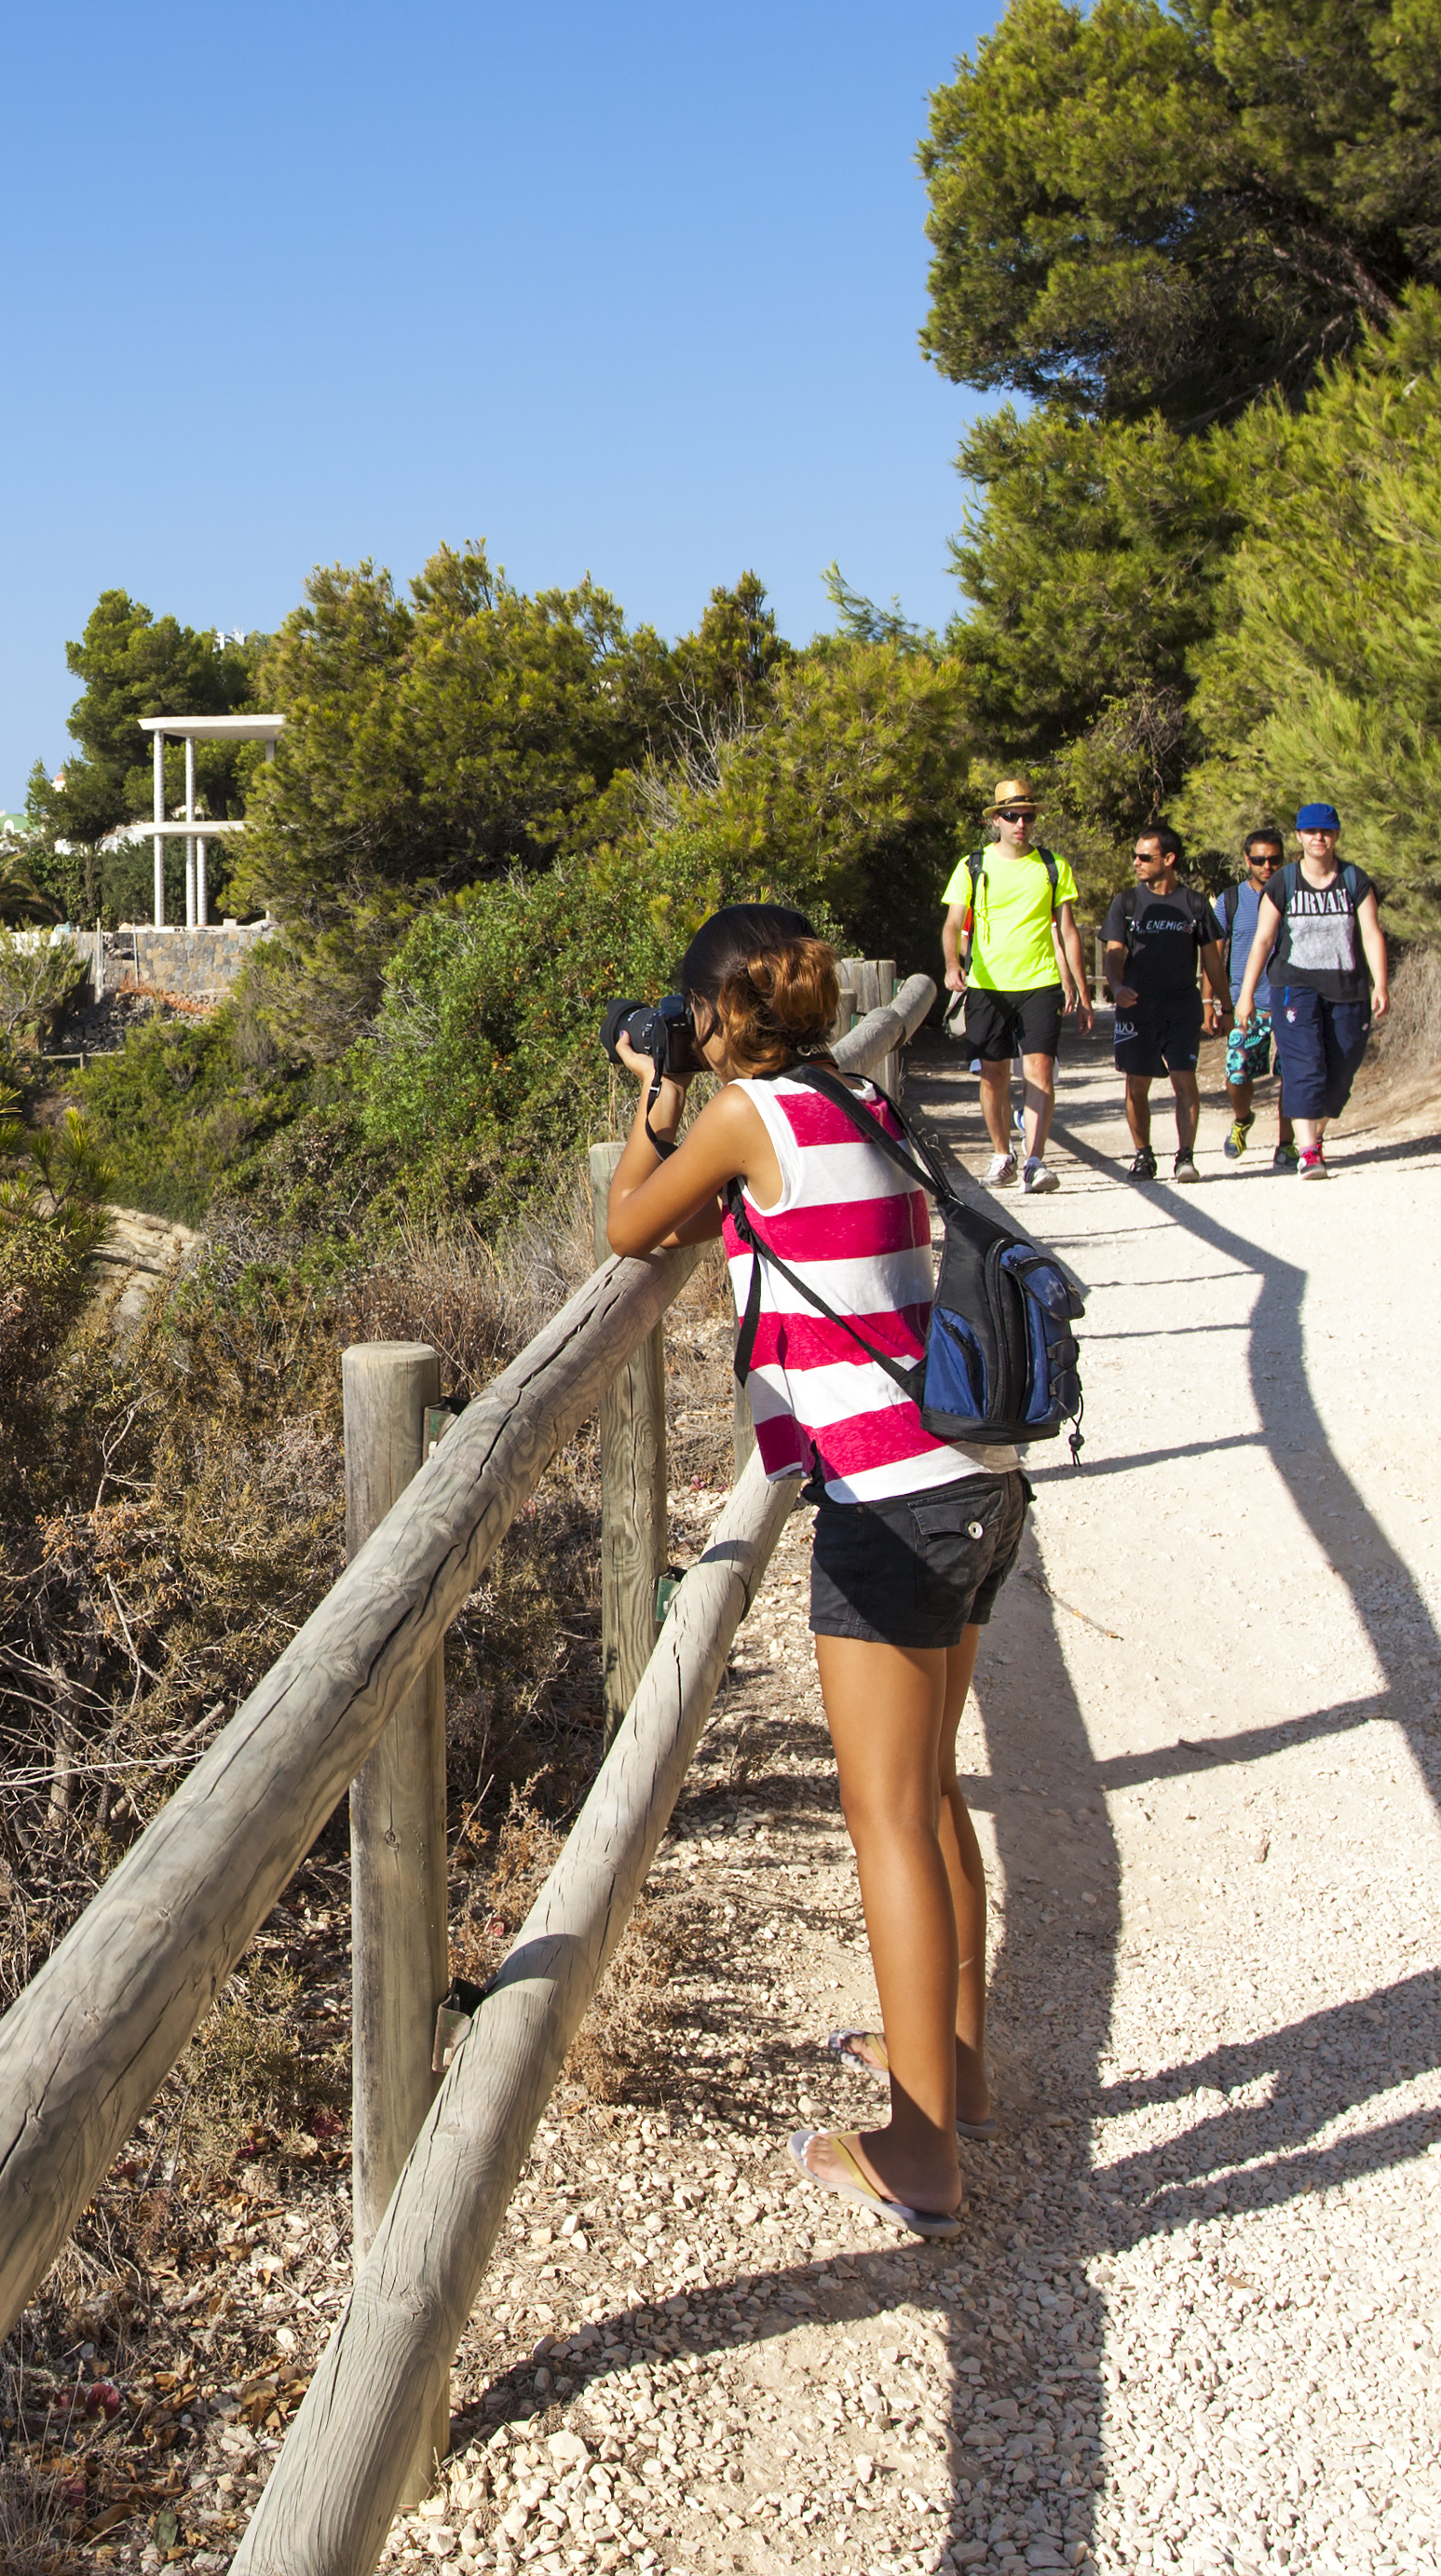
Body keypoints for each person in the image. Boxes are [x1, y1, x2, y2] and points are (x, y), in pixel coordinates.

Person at [608, 900, 1014, 2239]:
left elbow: (628, 1227)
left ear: (719, 1011)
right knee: (931, 1791)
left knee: (884, 1817)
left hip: (886, 1502)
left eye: (692, 1013)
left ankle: (917, 2150)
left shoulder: (746, 1117)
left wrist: (650, 1095)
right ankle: (949, 2067)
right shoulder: (858, 1098)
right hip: (968, 1481)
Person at [938, 779, 1094, 1196]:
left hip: (1040, 981)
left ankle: (1035, 1161)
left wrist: (1078, 986)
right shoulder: (973, 865)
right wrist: (953, 965)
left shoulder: (1053, 866)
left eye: (1028, 815)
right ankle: (1002, 1154)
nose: (1021, 823)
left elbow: (1067, 928)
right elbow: (953, 923)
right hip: (988, 984)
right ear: (997, 820)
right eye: (1012, 815)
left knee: (1039, 1071)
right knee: (993, 1075)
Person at [1230, 804, 1391, 1180]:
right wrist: (1246, 994)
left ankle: (1313, 1136)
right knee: (1304, 1064)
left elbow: (1371, 932)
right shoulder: (1283, 882)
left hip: (1347, 986)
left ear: (1336, 836)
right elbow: (1264, 939)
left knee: (1343, 1065)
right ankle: (1307, 1152)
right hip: (1295, 987)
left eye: (1327, 831)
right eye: (1311, 832)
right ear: (1300, 837)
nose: (1319, 838)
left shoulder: (1355, 880)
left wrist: (1380, 982)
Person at [1100, 828, 1227, 1179]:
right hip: (1137, 1008)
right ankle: (1143, 1155)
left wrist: (1224, 1006)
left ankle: (1185, 1157)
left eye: (1145, 857)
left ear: (1168, 860)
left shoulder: (1195, 904)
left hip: (1181, 1007)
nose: (1137, 863)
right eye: (1135, 855)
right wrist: (1117, 984)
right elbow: (1113, 951)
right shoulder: (1126, 903)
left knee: (1185, 1081)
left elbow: (1212, 961)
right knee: (1136, 1085)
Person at [1215, 828, 1285, 1159]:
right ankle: (1243, 1120)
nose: (1267, 866)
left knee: (1292, 1075)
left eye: (1274, 859)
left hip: (1288, 1000)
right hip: (1246, 1005)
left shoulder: (1293, 896)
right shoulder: (1231, 899)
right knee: (1237, 1070)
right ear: (1247, 860)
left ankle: (1287, 1143)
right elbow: (1213, 954)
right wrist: (1211, 1002)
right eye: (1259, 860)